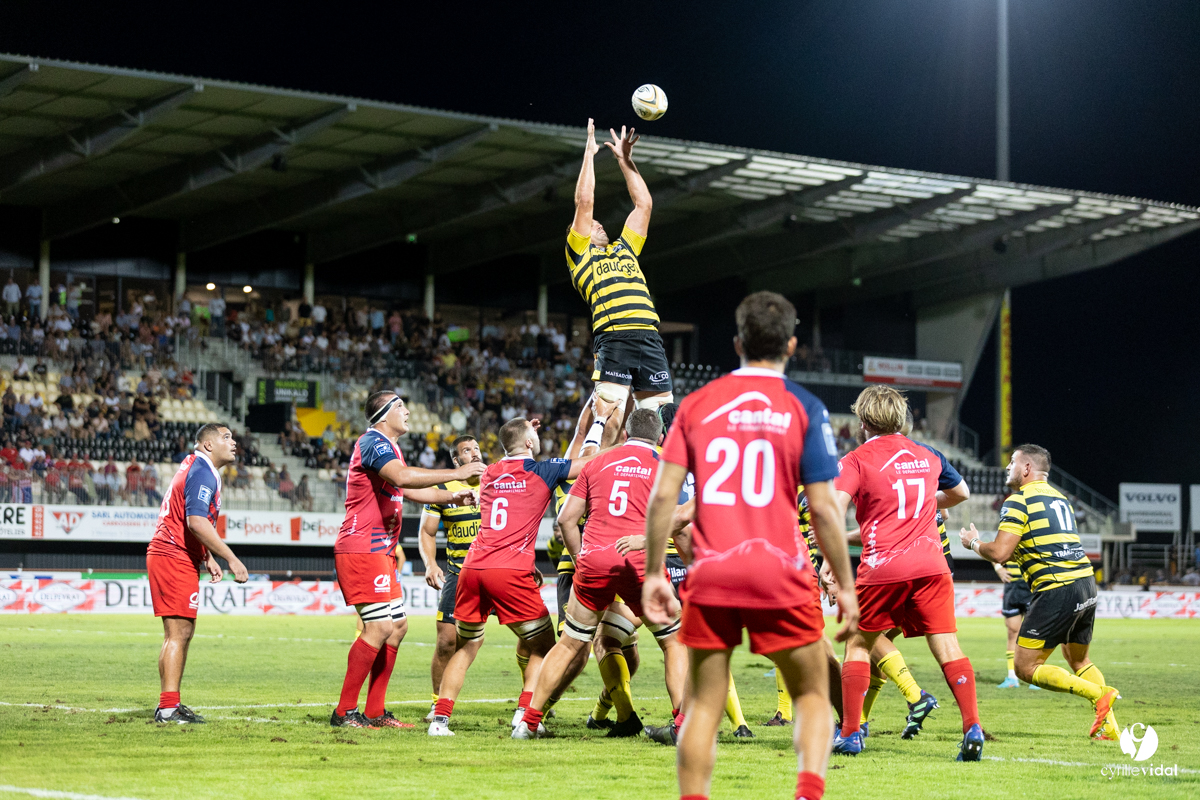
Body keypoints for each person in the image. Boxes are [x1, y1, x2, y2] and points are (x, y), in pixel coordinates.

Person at [642, 291, 857, 800]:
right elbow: (826, 510)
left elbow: (663, 498)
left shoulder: (696, 405)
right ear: (793, 345)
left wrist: (654, 571)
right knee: (810, 693)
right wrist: (845, 585)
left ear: (737, 342)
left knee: (704, 706)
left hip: (713, 571)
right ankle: (807, 792)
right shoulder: (805, 407)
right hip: (779, 570)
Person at [514, 409, 687, 740]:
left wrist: (582, 558)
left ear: (625, 435)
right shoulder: (664, 465)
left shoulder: (597, 463)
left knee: (569, 643)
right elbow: (675, 522)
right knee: (673, 640)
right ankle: (680, 724)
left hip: (594, 560)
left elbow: (565, 520)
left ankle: (529, 722)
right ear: (660, 438)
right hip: (639, 558)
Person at [427, 415, 605, 737]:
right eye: (533, 437)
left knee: (466, 646)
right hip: (509, 570)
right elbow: (589, 461)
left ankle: (439, 721)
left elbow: (509, 484)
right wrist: (621, 438)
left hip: (473, 566)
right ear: (527, 443)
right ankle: (524, 717)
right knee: (543, 647)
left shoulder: (490, 472)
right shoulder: (542, 470)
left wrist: (524, 433)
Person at [831, 384, 979, 760]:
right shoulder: (927, 454)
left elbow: (833, 511)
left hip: (883, 567)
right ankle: (972, 727)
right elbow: (961, 492)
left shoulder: (856, 460)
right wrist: (921, 504)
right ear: (902, 419)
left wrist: (830, 565)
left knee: (859, 644)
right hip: (932, 565)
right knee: (947, 645)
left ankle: (850, 733)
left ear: (862, 421)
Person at [330, 391, 482, 729]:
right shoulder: (374, 442)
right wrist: (456, 474)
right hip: (361, 547)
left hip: (380, 550)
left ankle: (374, 712)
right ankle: (343, 712)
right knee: (381, 626)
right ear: (383, 415)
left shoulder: (389, 449)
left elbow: (410, 491)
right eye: (400, 406)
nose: (408, 411)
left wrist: (452, 495)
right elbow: (403, 478)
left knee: (397, 627)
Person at [960, 444, 1119, 740]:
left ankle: (1100, 694)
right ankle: (1110, 729)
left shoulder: (1018, 500)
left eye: (1012, 463)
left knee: (1025, 667)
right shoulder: (1060, 498)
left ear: (1027, 468)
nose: (1008, 468)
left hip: (1057, 587)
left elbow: (1000, 552)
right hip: (1086, 581)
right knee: (1079, 660)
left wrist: (973, 543)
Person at [567, 118, 672, 443]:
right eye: (590, 224)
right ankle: (581, 486)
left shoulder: (626, 248)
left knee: (663, 424)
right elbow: (585, 203)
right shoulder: (581, 255)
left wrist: (625, 162)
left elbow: (645, 204)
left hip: (650, 338)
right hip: (616, 339)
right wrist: (589, 153)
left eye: (598, 222)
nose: (596, 224)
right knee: (609, 422)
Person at [146, 423, 248, 723]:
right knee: (177, 633)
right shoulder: (202, 471)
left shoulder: (195, 466)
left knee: (181, 632)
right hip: (172, 554)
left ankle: (170, 704)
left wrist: (205, 557)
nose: (233, 443)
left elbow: (185, 517)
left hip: (177, 553)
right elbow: (196, 522)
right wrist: (230, 558)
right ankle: (167, 709)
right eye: (225, 437)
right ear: (207, 445)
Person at [417, 434, 489, 722]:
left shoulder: (497, 482)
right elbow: (427, 532)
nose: (475, 453)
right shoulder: (442, 489)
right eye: (467, 450)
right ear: (456, 461)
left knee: (530, 635)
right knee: (447, 641)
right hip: (458, 575)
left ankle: (535, 701)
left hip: (497, 571)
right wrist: (431, 564)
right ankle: (438, 703)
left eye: (477, 448)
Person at [994, 558, 1041, 689]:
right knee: (1012, 631)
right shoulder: (1007, 536)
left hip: (1031, 585)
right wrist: (998, 567)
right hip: (1012, 586)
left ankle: (1035, 677)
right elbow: (994, 550)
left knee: (1034, 632)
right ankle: (1012, 677)